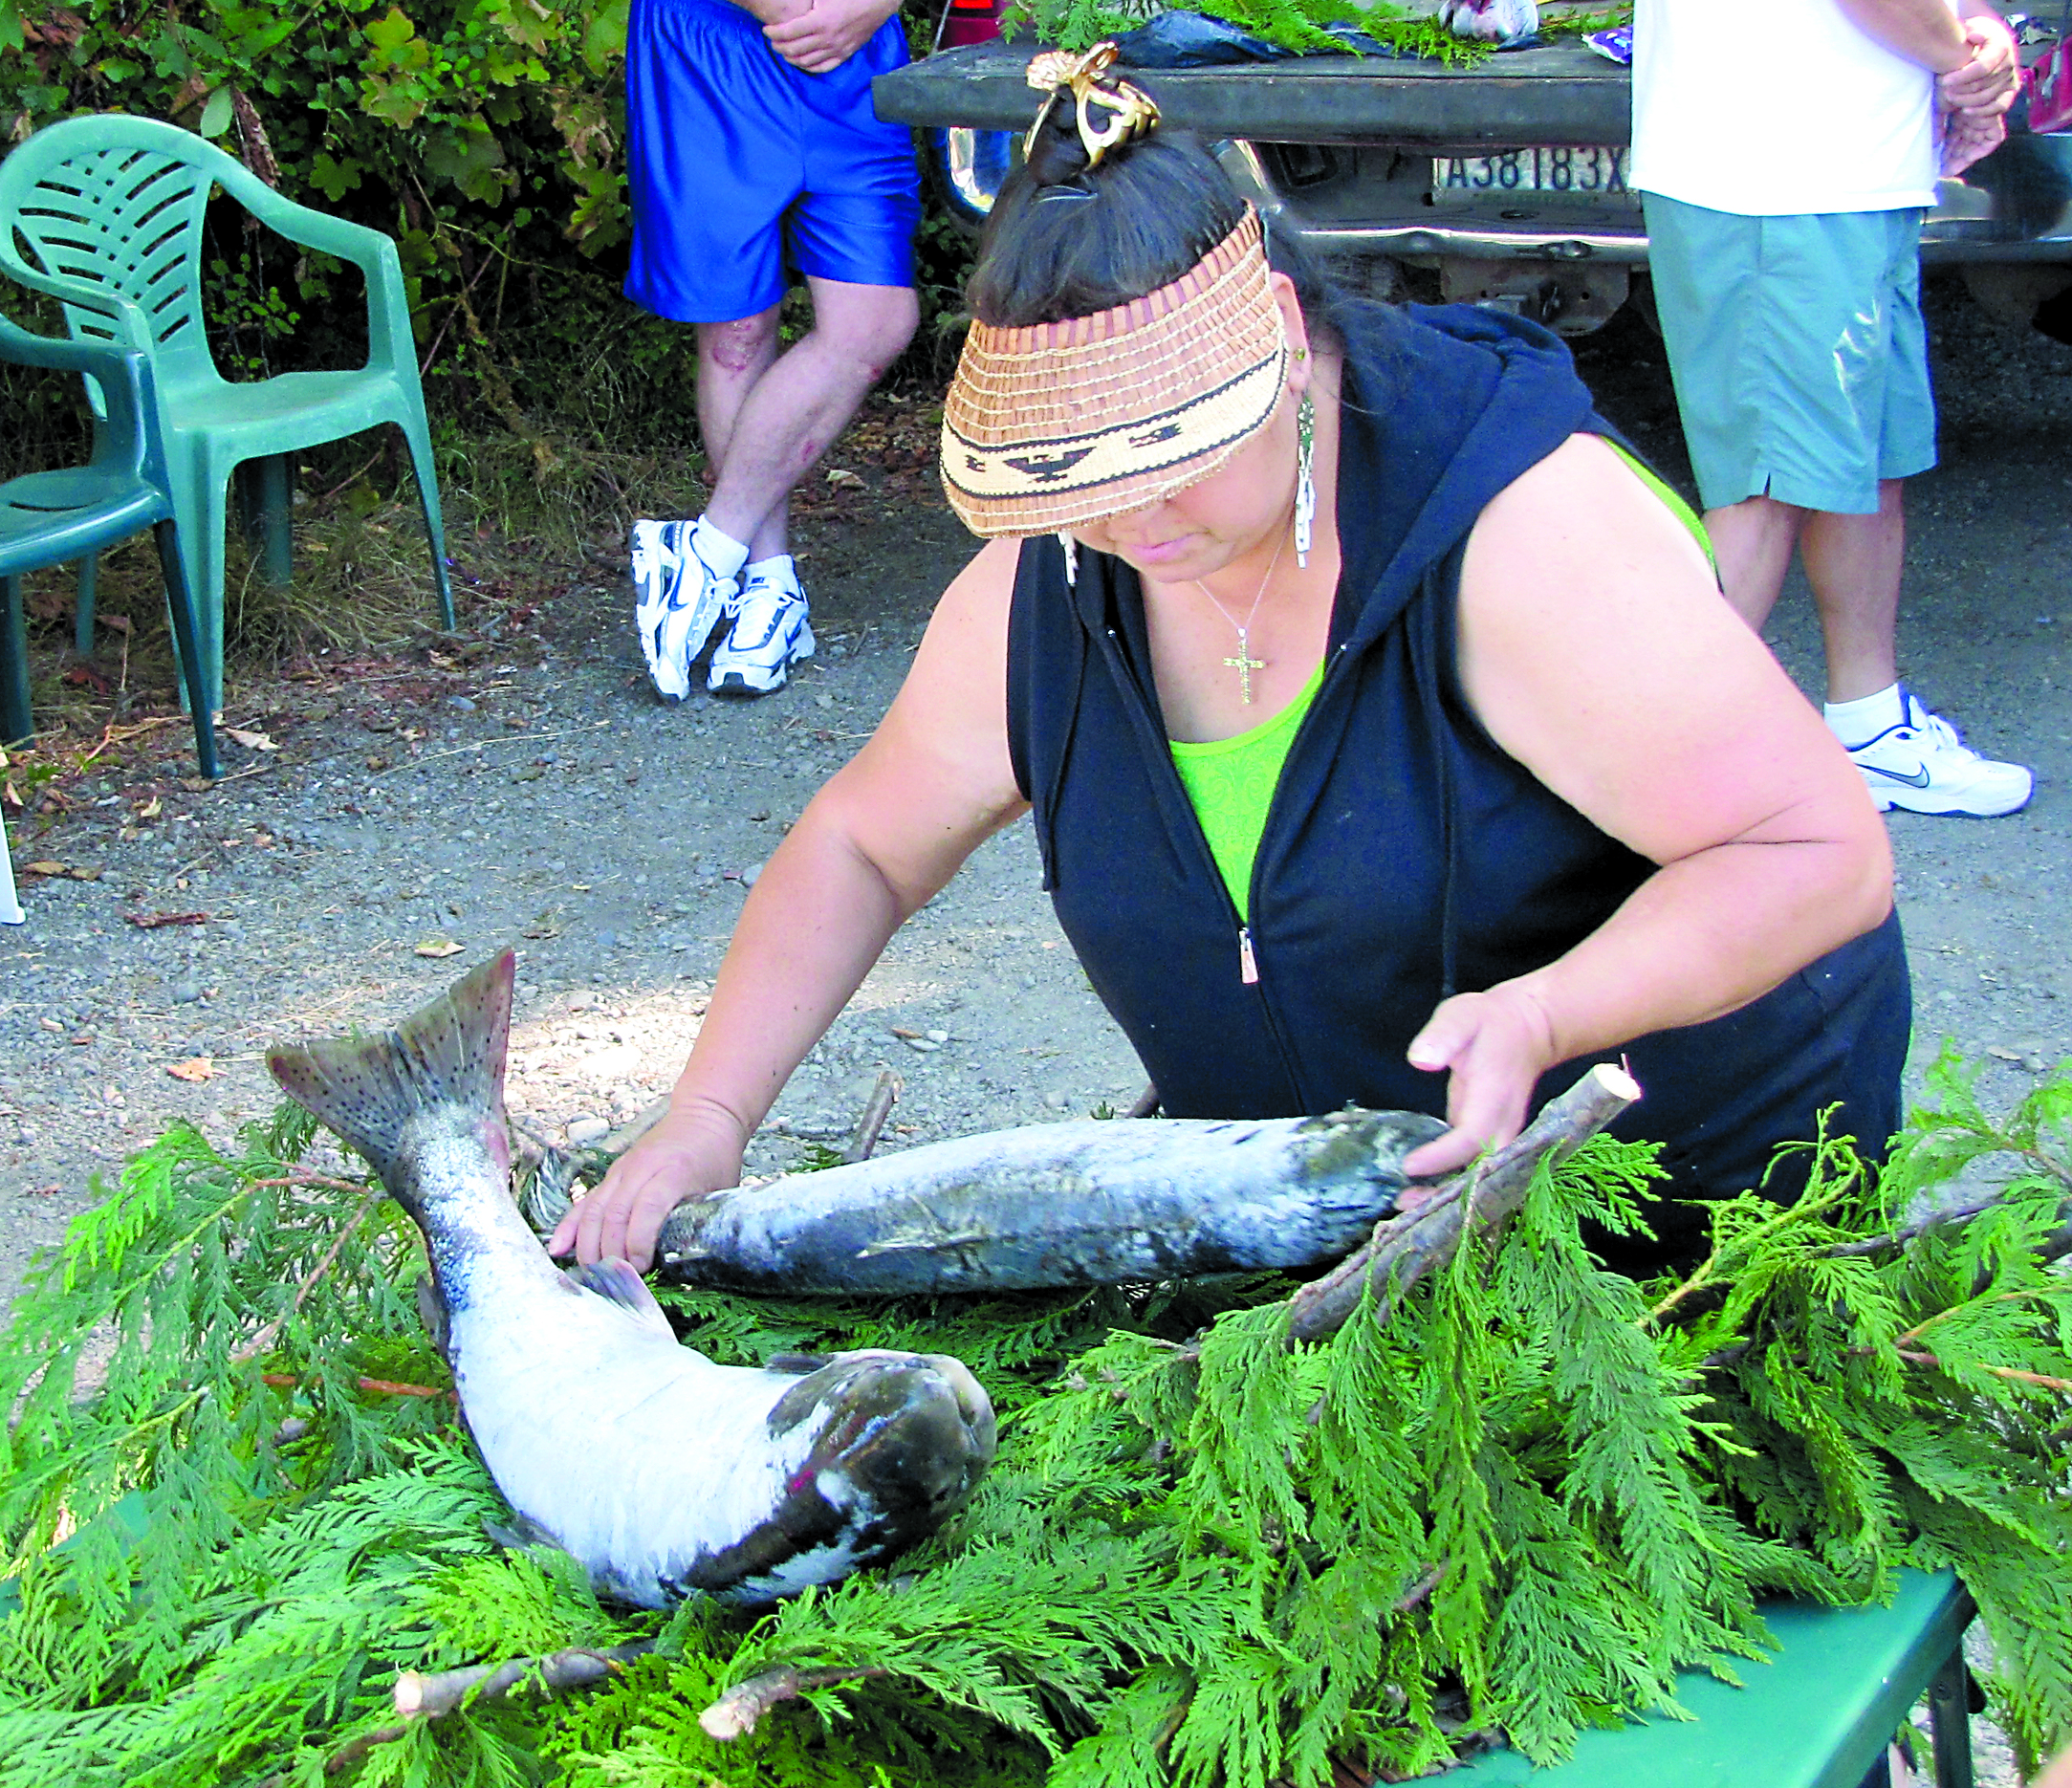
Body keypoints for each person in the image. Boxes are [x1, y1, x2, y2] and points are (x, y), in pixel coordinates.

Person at [556, 46, 1908, 1276]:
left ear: (1271, 325)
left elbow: (1813, 852)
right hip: (1344, 1233)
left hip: (1693, 1211)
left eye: (1174, 448)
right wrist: (706, 1120)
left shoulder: (1519, 535)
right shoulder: (1050, 582)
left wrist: (1552, 1011)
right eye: (1077, 470)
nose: (1133, 516)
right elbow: (861, 846)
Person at [1630, 0, 2029, 817]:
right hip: (1775, 180)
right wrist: (1961, 57)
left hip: (1835, 174)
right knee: (1767, 488)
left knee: (1865, 465)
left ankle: (1870, 731)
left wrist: (1967, 21)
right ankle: (1620, 783)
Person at [621, 0, 921, 701]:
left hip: (853, 49)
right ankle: (767, 591)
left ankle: (703, 552)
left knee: (872, 323)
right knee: (735, 336)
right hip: (709, 48)